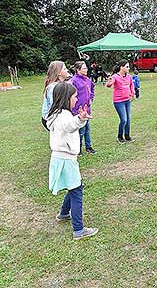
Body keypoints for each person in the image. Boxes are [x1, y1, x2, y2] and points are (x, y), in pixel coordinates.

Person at [46, 82, 98, 240]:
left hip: (60, 157)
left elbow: (69, 124)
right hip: (66, 159)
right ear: (66, 98)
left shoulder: (56, 113)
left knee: (74, 186)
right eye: (74, 97)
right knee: (76, 191)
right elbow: (69, 125)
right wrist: (80, 119)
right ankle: (79, 230)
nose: (76, 100)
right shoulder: (63, 116)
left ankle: (63, 214)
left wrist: (78, 119)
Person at [105, 60, 135, 144]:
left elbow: (131, 85)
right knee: (124, 120)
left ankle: (127, 136)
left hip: (127, 100)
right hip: (118, 101)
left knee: (128, 119)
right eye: (127, 67)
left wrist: (132, 93)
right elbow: (109, 85)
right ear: (121, 67)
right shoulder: (115, 76)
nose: (129, 68)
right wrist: (109, 82)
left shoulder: (129, 76)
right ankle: (120, 136)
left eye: (129, 67)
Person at [70, 61, 96, 156]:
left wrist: (91, 99)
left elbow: (92, 88)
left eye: (86, 68)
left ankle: (88, 147)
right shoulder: (73, 81)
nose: (86, 69)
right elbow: (70, 94)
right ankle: (78, 149)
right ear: (78, 70)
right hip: (78, 110)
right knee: (81, 130)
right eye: (84, 68)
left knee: (87, 129)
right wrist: (74, 108)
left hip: (86, 109)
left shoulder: (87, 80)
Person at [41, 61, 69, 131]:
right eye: (64, 69)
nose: (67, 70)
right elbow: (54, 106)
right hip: (51, 118)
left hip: (57, 117)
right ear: (59, 73)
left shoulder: (61, 84)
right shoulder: (53, 87)